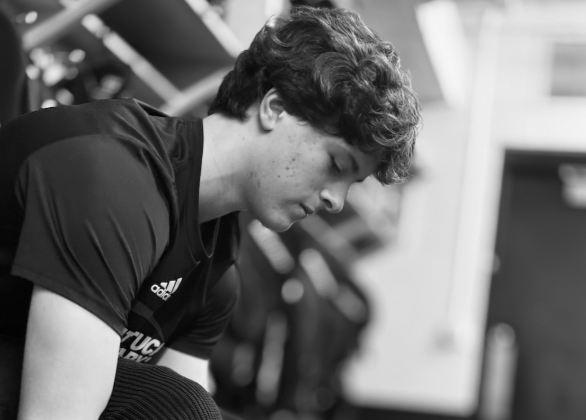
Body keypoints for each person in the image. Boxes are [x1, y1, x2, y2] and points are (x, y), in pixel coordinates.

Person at [0, 5, 421, 420]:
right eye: (336, 165)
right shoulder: (115, 181)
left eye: (352, 184)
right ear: (275, 109)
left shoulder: (217, 266)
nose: (337, 201)